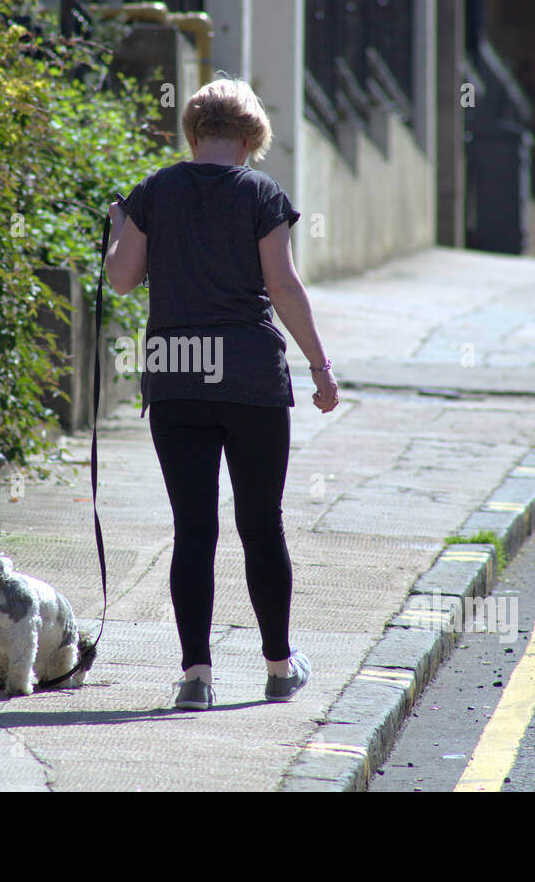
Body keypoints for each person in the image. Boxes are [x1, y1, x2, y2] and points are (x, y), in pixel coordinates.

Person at [105, 75, 338, 711]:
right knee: (262, 525)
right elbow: (284, 287)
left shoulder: (154, 190)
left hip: (177, 375)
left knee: (194, 529)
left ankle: (196, 678)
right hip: (251, 379)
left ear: (194, 130)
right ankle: (278, 666)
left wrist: (120, 222)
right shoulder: (262, 193)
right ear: (250, 136)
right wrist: (320, 367)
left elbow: (122, 281)